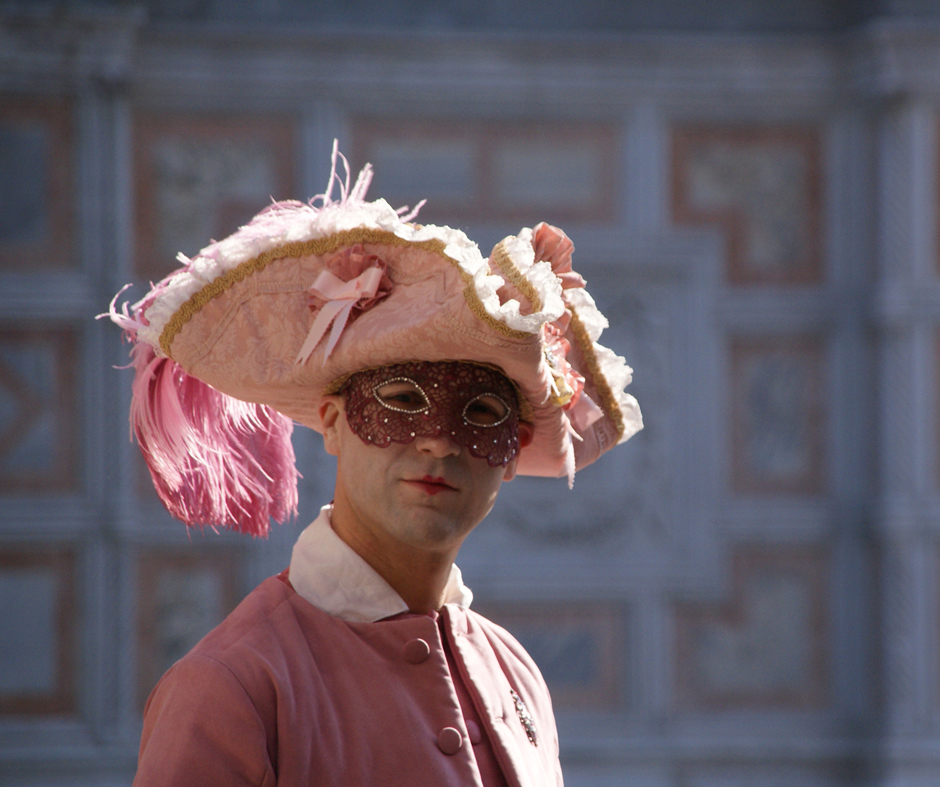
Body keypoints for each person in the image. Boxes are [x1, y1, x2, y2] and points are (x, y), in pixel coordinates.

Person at [107, 146, 642, 786]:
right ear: (333, 424)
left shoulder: (514, 674)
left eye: (479, 415)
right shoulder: (237, 687)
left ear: (513, 451)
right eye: (403, 402)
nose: (439, 443)